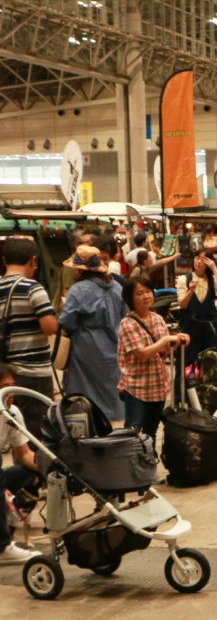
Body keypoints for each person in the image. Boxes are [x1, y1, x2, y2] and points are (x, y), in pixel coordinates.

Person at [58, 245, 127, 420]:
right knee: (112, 393)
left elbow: (67, 322)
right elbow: (126, 316)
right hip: (115, 348)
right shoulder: (117, 287)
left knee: (85, 396)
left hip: (85, 351)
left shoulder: (78, 290)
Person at [117, 279, 188, 444]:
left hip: (158, 385)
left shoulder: (158, 319)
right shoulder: (127, 324)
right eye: (139, 293)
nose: (145, 296)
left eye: (148, 291)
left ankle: (148, 464)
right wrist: (165, 341)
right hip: (136, 387)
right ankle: (131, 465)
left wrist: (177, 340)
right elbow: (142, 354)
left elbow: (163, 352)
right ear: (130, 298)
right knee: (132, 431)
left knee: (152, 432)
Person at [0, 237, 58, 432]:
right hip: (33, 374)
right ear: (34, 260)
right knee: (37, 433)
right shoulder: (33, 288)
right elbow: (49, 327)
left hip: (6, 374)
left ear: (4, 260)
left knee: (16, 432)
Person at [0, 364, 44, 566]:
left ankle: (11, 525)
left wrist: (50, 465)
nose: (9, 392)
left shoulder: (13, 413)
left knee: (31, 473)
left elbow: (24, 454)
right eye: (3, 387)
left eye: (11, 386)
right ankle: (2, 548)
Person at [176, 249, 217, 365]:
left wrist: (214, 269)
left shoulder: (211, 279)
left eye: (203, 259)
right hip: (190, 326)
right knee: (188, 361)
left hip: (210, 326)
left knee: (211, 360)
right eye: (196, 258)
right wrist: (190, 291)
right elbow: (182, 304)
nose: (199, 261)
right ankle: (187, 383)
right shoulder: (184, 279)